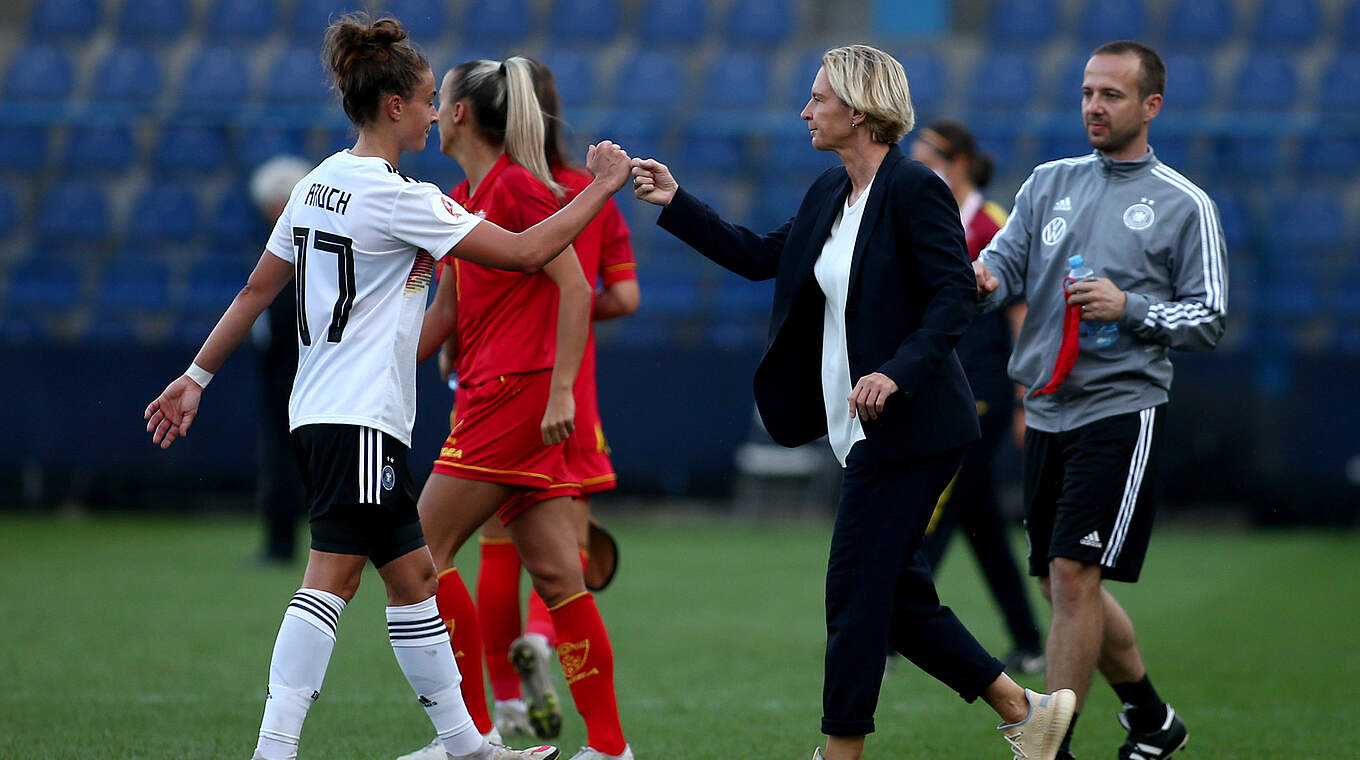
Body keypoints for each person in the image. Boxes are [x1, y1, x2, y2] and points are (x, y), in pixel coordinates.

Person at [141, 13, 633, 760]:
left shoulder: (315, 184)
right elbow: (533, 250)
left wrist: (194, 376)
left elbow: (253, 291)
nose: (437, 112)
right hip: (363, 418)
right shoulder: (404, 198)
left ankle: (467, 745)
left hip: (318, 411)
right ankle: (275, 748)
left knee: (416, 576)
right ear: (396, 105)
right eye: (429, 98)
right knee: (330, 581)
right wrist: (601, 186)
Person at [630, 44, 1075, 760]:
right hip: (860, 430)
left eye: (818, 99)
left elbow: (955, 294)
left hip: (914, 428)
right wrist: (675, 201)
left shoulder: (914, 188)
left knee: (853, 594)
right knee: (895, 597)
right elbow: (755, 255)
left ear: (859, 111)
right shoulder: (828, 193)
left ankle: (841, 753)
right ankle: (1026, 711)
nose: (805, 110)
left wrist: (896, 372)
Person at [973, 40, 1226, 760]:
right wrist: (983, 281)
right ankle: (1151, 719)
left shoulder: (1186, 204)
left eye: (1112, 94)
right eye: (1088, 91)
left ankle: (1048, 747)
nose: (1093, 105)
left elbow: (1210, 317)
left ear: (1151, 106)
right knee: (1062, 587)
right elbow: (1003, 264)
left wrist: (1132, 307)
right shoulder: (1048, 182)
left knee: (1075, 575)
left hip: (1122, 404)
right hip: (1048, 405)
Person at [396, 57, 634, 760]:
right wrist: (373, 361)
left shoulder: (519, 189)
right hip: (497, 392)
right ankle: (611, 749)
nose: (433, 113)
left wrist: (561, 389)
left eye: (440, 102)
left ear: (464, 113)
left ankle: (469, 740)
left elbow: (579, 288)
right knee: (559, 575)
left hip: (513, 396)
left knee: (419, 554)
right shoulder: (469, 191)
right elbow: (446, 309)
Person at [471, 58, 641, 744]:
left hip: (494, 389)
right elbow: (623, 296)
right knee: (563, 554)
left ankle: (499, 707)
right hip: (567, 395)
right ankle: (543, 651)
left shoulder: (482, 188)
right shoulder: (577, 191)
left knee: (483, 550)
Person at [908, 120, 1045, 674]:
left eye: (929, 157)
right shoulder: (936, 217)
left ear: (959, 161)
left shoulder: (991, 224)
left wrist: (1024, 395)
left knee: (933, 508)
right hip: (948, 381)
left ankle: (894, 628)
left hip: (982, 386)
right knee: (982, 524)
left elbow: (1020, 310)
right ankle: (1030, 640)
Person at [248, 155, 311, 565]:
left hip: (288, 375)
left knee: (283, 461)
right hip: (297, 373)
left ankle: (280, 545)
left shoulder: (291, 256)